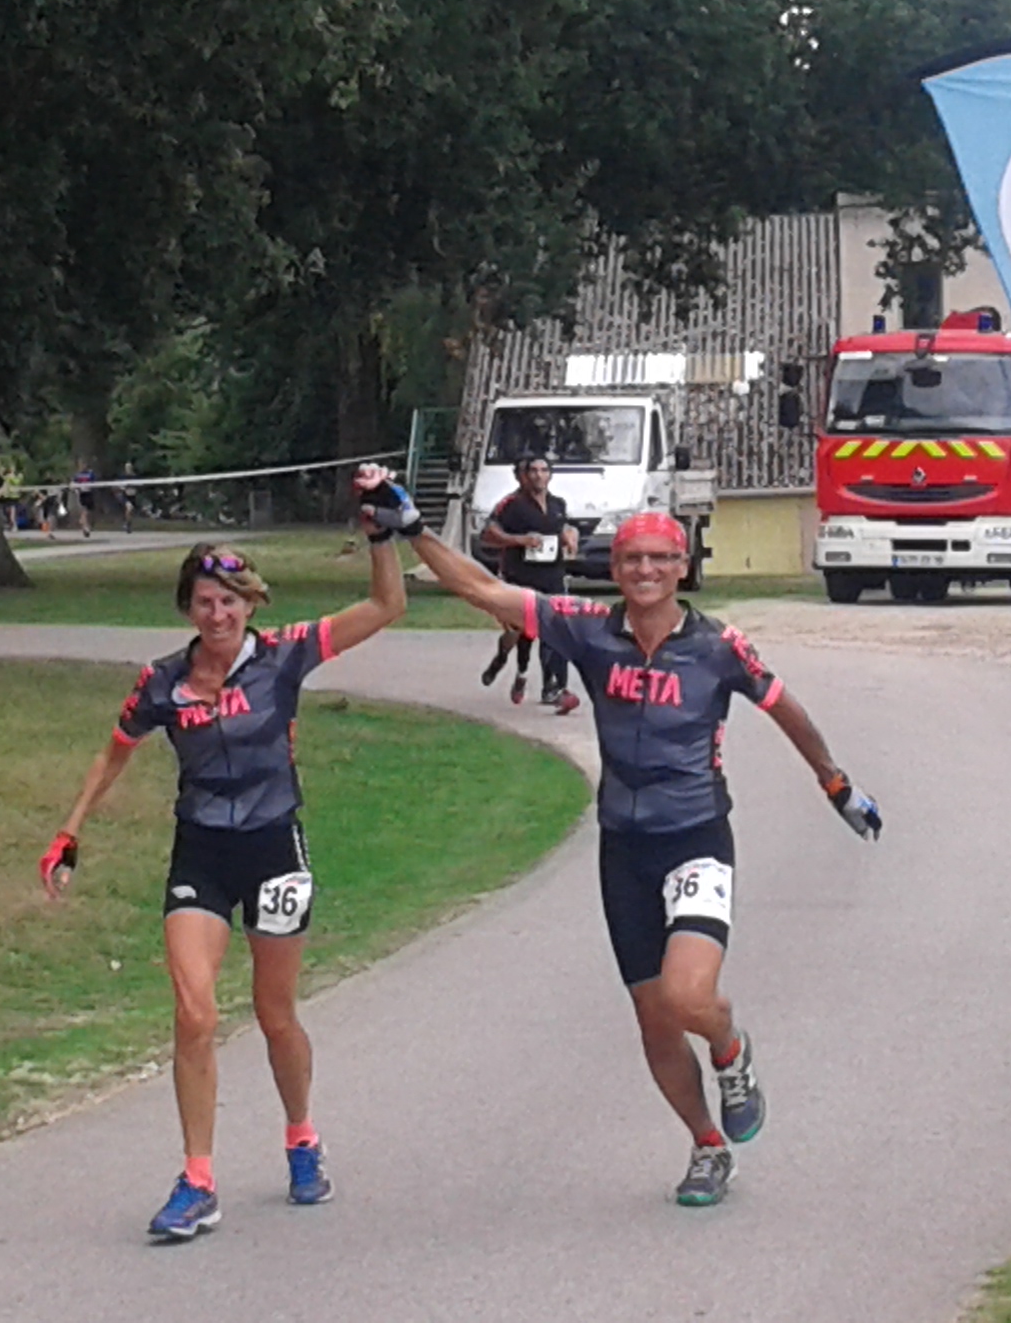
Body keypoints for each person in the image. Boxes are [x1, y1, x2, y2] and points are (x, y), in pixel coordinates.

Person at [359, 470, 882, 1207]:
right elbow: (484, 590)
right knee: (655, 1019)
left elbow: (785, 708)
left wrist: (836, 784)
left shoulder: (719, 647)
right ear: (615, 567)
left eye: (660, 559)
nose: (645, 571)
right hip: (623, 850)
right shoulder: (587, 629)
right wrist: (413, 527)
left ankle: (731, 1051)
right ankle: (706, 1145)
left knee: (689, 996)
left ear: (682, 567)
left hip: (695, 838)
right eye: (632, 559)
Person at [39, 516, 407, 1242]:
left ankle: (301, 1137)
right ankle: (198, 1180)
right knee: (194, 1014)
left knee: (275, 1014)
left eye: (230, 601)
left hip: (274, 848)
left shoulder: (286, 654)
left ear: (251, 604)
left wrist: (380, 537)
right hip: (201, 852)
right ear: (188, 609)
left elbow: (387, 605)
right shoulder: (163, 682)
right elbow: (114, 752)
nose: (218, 615)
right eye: (205, 602)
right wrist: (69, 830)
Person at [477, 455, 580, 712]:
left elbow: (565, 527)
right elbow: (488, 534)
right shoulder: (512, 505)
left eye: (544, 470)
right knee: (520, 632)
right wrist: (519, 540)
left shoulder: (557, 504)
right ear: (524, 475)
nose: (538, 475)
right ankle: (505, 659)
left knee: (556, 630)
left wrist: (571, 537)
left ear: (550, 475)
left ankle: (555, 687)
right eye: (533, 470)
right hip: (520, 576)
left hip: (552, 576)